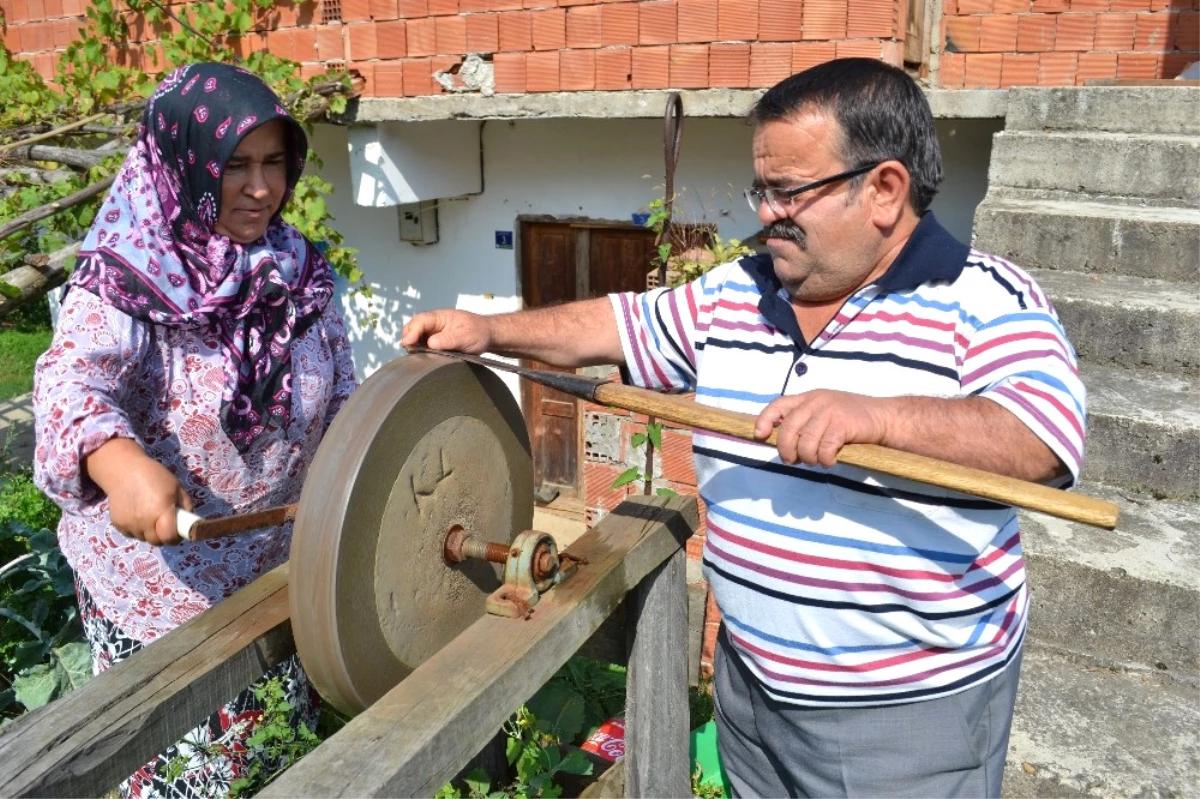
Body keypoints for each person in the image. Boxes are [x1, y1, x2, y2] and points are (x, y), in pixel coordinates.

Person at [402, 58, 1086, 798]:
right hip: (751, 693)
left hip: (905, 718)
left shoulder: (982, 298)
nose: (766, 212)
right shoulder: (737, 290)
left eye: (790, 191)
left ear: (884, 190)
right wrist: (488, 328)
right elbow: (618, 325)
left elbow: (1041, 439)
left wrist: (879, 416)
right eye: (763, 189)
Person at [33, 62, 357, 798]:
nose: (261, 188)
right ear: (184, 163)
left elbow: (342, 391)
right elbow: (66, 387)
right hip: (166, 603)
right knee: (192, 776)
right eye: (235, 165)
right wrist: (118, 464)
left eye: (275, 162)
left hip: (281, 575)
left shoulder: (298, 271)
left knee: (279, 756)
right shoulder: (127, 278)